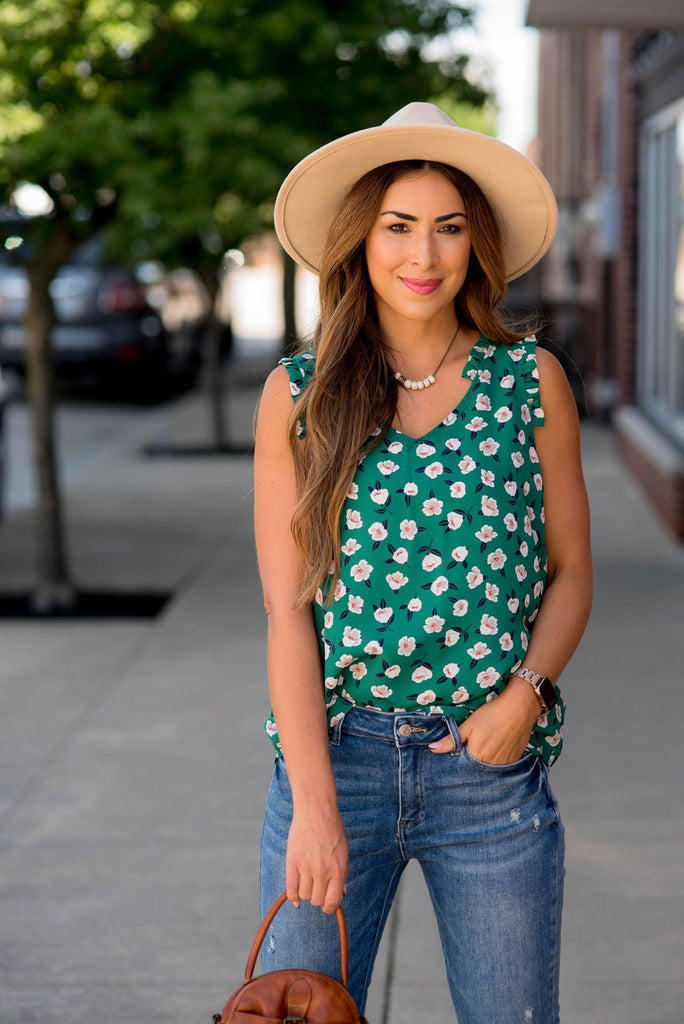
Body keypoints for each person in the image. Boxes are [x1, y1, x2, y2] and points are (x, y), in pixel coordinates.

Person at [254, 102, 593, 1024]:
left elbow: (572, 572)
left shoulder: (531, 381)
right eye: (398, 227)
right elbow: (289, 612)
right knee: (296, 1014)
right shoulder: (298, 391)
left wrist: (526, 692)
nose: (425, 255)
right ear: (361, 242)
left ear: (476, 245)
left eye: (449, 229)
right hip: (336, 762)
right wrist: (317, 808)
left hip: (487, 775)